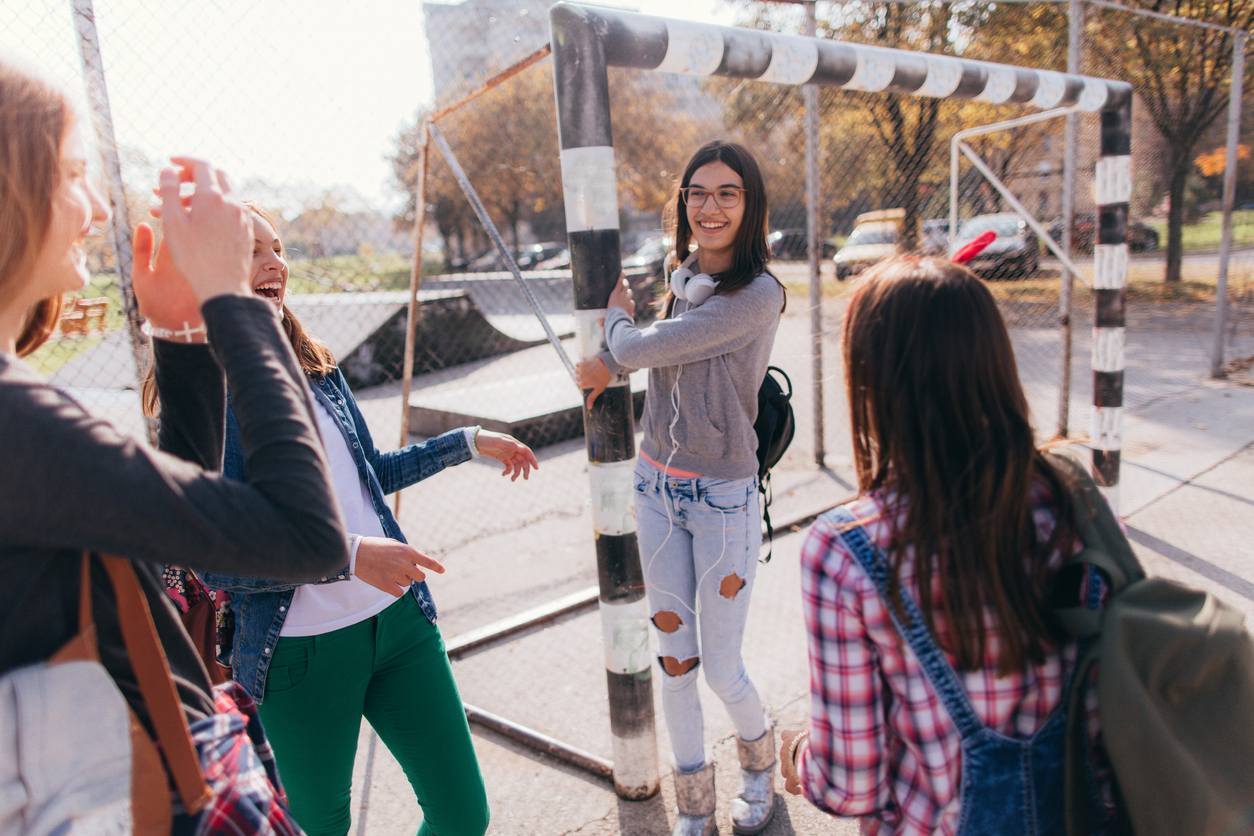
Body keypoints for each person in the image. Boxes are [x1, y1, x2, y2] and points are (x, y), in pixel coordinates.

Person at [0, 56, 347, 827]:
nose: (94, 209)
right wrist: (231, 300)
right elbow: (307, 535)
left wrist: (182, 338)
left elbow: (166, 539)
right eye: (72, 174)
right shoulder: (13, 426)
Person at [155, 204, 537, 836]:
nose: (274, 263)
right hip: (298, 654)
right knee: (319, 827)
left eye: (275, 248)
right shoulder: (204, 395)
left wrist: (466, 442)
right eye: (251, 250)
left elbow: (370, 474)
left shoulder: (316, 366)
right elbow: (211, 556)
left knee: (463, 814)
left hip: (400, 625)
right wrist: (350, 557)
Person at [781, 256, 1117, 835]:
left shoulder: (848, 553)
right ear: (994, 364)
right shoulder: (1075, 502)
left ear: (871, 384)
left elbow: (850, 785)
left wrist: (797, 759)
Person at [576, 139, 787, 836]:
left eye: (728, 192)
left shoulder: (758, 295)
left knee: (722, 668)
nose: (710, 205)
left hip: (722, 498)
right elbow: (654, 352)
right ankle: (694, 803)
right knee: (674, 660)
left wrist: (614, 332)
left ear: (750, 204)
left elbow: (642, 349)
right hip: (655, 491)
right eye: (698, 192)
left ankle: (760, 764)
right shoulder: (684, 279)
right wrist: (617, 352)